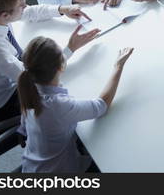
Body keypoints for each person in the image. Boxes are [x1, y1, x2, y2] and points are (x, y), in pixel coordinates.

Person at [0, 0, 100, 126]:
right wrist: (70, 49)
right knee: (69, 90)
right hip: (1, 104)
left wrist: (62, 9)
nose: (25, 6)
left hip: (9, 77)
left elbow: (26, 12)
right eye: (21, 5)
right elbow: (30, 77)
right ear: (5, 16)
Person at [18, 37, 133, 173]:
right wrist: (118, 66)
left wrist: (70, 48)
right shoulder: (57, 106)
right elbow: (101, 105)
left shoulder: (29, 87)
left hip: (32, 166)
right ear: (61, 67)